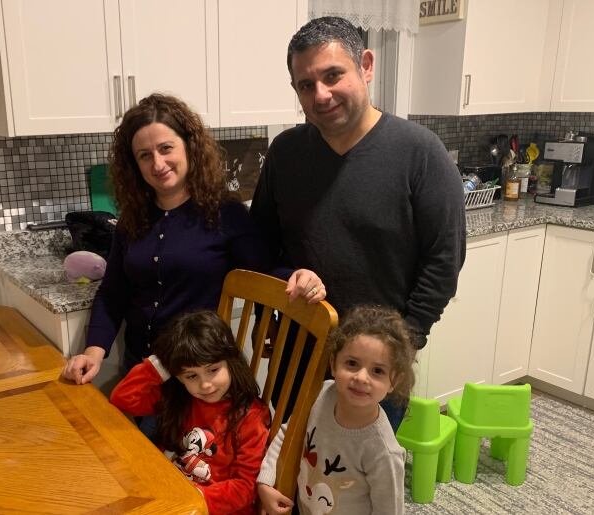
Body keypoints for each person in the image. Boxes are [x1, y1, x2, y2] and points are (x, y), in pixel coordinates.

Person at [250, 16, 466, 429]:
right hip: (299, 351)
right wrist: (270, 313)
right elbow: (261, 244)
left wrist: (405, 343)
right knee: (294, 469)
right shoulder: (286, 152)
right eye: (306, 85)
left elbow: (444, 259)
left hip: (375, 365)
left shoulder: (420, 153)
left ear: (365, 66)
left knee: (361, 480)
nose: (321, 94)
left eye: (333, 75)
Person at [62, 94, 326, 386]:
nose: (158, 163)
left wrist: (298, 276)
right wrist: (93, 353)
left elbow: (263, 272)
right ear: (133, 163)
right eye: (144, 155)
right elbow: (113, 293)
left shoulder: (225, 214)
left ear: (189, 147)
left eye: (166, 149)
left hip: (199, 382)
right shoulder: (132, 219)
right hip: (141, 375)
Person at [256, 305, 415, 515]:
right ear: (333, 363)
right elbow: (288, 433)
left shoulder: (384, 452)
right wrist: (265, 482)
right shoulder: (322, 393)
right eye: (352, 363)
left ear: (394, 380)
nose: (361, 377)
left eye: (377, 371)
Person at [110, 310, 270, 515]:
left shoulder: (251, 416)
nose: (205, 384)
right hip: (167, 490)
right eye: (191, 375)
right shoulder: (182, 399)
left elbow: (245, 490)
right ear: (178, 377)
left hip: (208, 506)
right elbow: (122, 399)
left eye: (213, 370)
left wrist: (193, 497)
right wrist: (160, 364)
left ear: (231, 362)